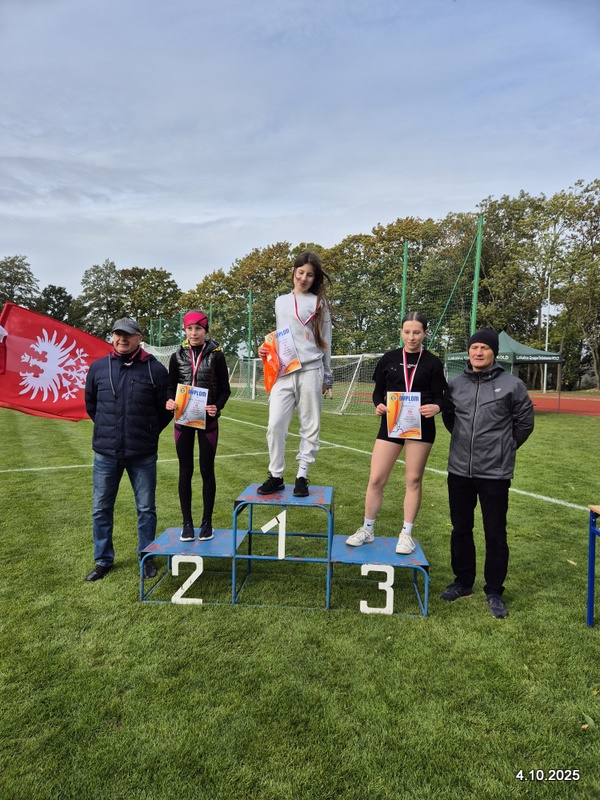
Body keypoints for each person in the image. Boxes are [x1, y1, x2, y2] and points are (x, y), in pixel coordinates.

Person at [440, 328, 534, 619]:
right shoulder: (455, 384)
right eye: (474, 347)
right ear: (468, 351)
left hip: (495, 472)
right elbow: (450, 419)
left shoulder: (512, 385)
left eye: (484, 348)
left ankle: (494, 590)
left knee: (495, 533)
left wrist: (504, 447)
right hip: (459, 470)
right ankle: (463, 582)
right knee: (460, 529)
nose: (478, 352)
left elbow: (524, 423)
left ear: (494, 352)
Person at [345, 312, 447, 554]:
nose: (411, 337)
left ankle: (406, 534)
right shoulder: (389, 358)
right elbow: (377, 392)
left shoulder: (432, 362)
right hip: (391, 425)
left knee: (413, 480)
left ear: (425, 333)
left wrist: (436, 407)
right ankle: (367, 529)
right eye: (407, 332)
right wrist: (378, 405)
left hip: (421, 426)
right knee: (376, 478)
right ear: (401, 332)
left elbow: (441, 397)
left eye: (417, 332)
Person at [84, 317, 172, 581]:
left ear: (139, 338)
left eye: (128, 334)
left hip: (142, 453)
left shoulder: (155, 370)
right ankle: (103, 560)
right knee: (101, 508)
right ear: (112, 337)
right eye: (117, 334)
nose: (122, 338)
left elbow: (165, 410)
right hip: (106, 453)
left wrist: (147, 432)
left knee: (146, 509)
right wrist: (108, 430)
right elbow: (92, 406)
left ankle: (146, 557)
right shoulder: (98, 368)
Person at [256, 251, 332, 498]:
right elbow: (281, 335)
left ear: (315, 278)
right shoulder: (280, 301)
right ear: (293, 272)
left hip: (311, 370)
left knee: (310, 426)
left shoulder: (320, 304)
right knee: (274, 425)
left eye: (310, 275)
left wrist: (327, 376)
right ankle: (276, 476)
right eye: (301, 272)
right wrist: (266, 349)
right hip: (285, 371)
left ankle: (301, 476)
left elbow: (326, 341)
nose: (304, 278)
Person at [166, 311, 231, 542]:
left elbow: (225, 389)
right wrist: (169, 400)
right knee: (185, 471)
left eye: (198, 329)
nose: (194, 333)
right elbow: (170, 386)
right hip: (183, 420)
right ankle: (187, 524)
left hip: (207, 422)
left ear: (206, 331)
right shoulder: (176, 356)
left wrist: (216, 407)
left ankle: (207, 523)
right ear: (185, 330)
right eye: (190, 328)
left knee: (206, 471)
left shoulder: (217, 356)